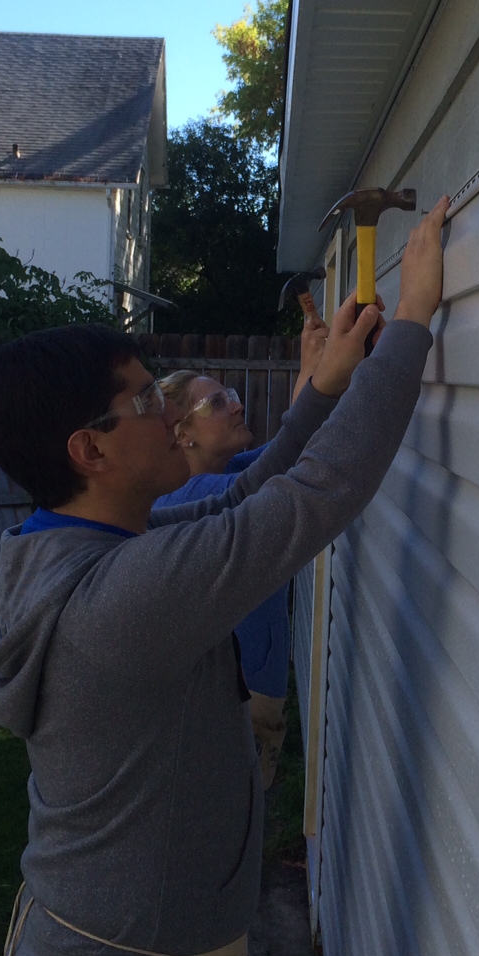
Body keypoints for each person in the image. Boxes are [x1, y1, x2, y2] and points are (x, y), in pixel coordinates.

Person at [0, 199, 449, 956]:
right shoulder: (124, 596)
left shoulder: (71, 546)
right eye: (145, 404)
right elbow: (317, 496)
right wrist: (411, 323)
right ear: (90, 450)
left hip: (106, 946)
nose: (169, 415)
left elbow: (248, 497)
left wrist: (323, 389)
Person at [152, 315, 326, 790]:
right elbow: (281, 476)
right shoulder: (181, 502)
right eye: (216, 401)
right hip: (226, 705)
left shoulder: (234, 474)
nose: (235, 405)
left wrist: (314, 365)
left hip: (251, 696)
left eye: (232, 396)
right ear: (181, 432)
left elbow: (292, 446)